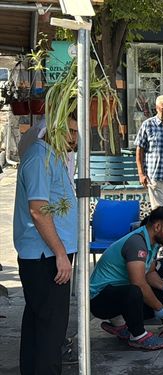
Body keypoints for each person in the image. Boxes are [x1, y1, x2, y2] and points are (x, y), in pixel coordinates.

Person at [13, 115, 78, 375]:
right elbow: (38, 210)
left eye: (77, 132)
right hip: (45, 256)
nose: (75, 138)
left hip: (48, 254)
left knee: (39, 323)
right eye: (70, 131)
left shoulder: (50, 156)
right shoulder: (39, 158)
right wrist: (60, 253)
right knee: (51, 329)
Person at [89, 206, 163, 351]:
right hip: (100, 299)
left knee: (158, 295)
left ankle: (118, 324)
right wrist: (158, 306)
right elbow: (138, 282)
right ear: (157, 226)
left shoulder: (152, 242)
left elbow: (150, 272)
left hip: (116, 292)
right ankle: (138, 336)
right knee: (135, 291)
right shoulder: (137, 243)